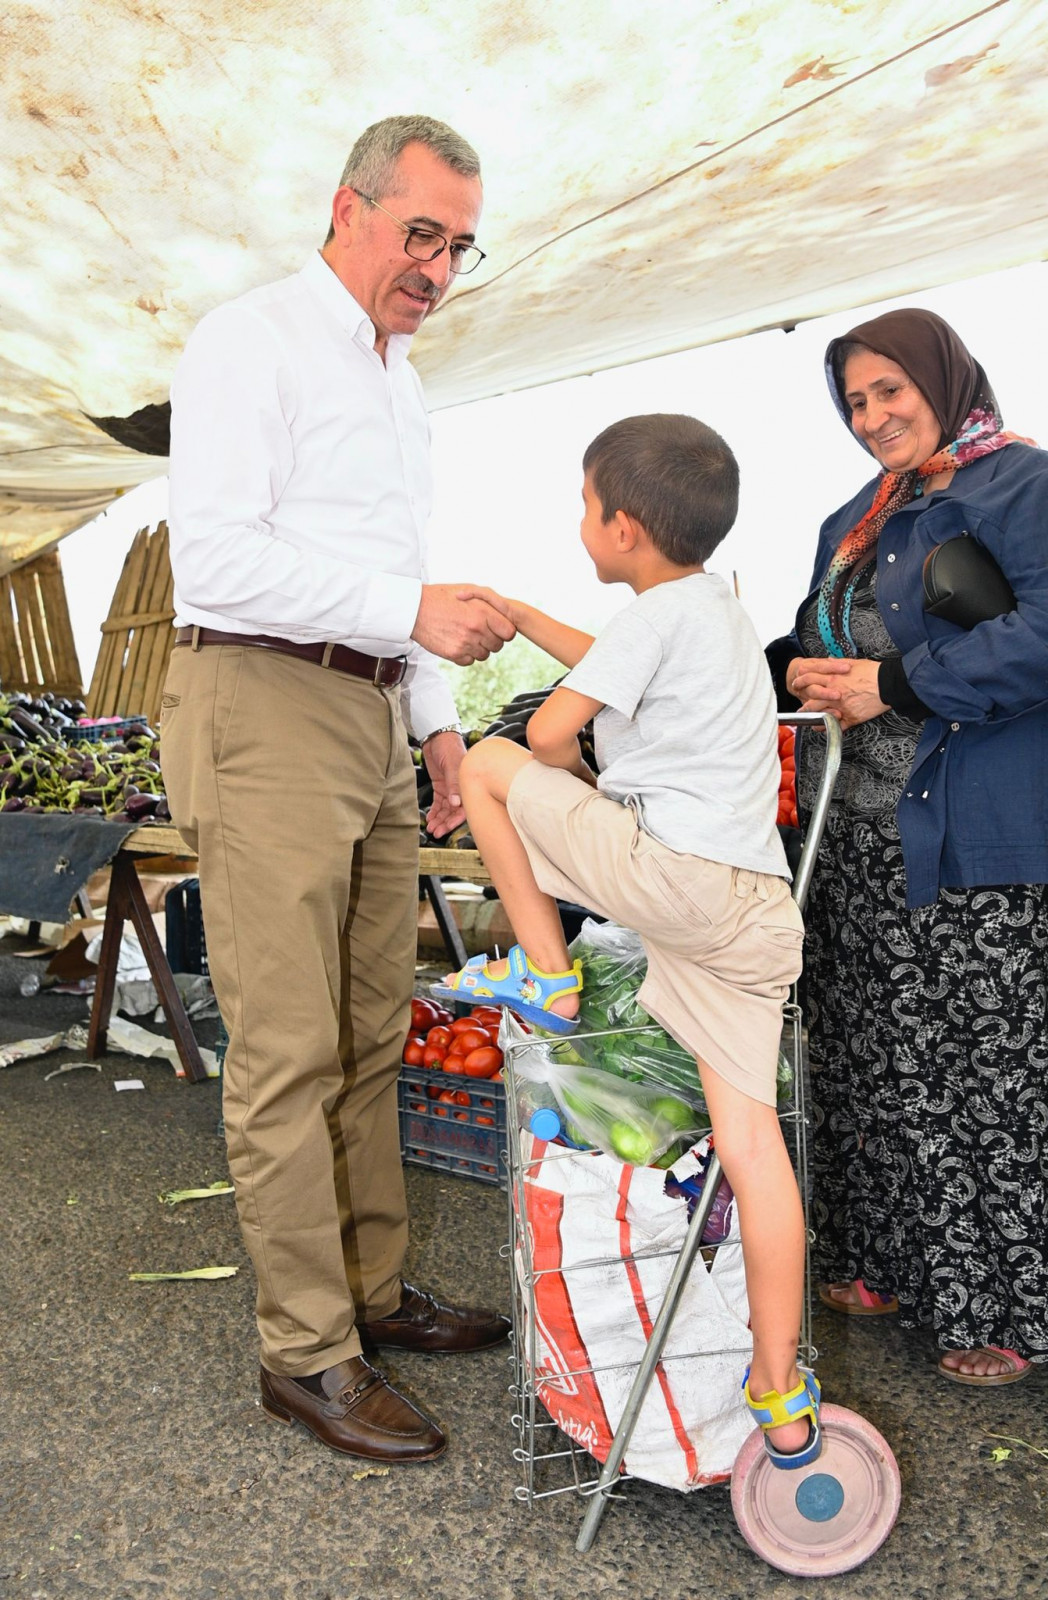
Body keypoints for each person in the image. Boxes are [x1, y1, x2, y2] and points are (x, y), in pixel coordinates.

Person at [160, 115, 514, 1465]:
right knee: (287, 1050)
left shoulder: (399, 382)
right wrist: (406, 614)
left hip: (370, 712)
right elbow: (217, 562)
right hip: (261, 700)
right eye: (419, 233)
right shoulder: (249, 340)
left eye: (458, 246)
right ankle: (306, 1352)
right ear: (347, 208)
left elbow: (390, 567)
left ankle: (370, 1290)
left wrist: (436, 724)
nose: (436, 267)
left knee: (372, 1030)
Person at [438, 414, 821, 1469]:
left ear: (623, 527)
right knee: (752, 1146)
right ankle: (779, 1389)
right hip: (751, 912)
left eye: (583, 504)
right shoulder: (716, 610)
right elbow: (613, 662)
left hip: (673, 877)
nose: (580, 520)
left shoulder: (655, 617)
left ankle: (547, 974)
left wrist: (578, 787)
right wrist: (525, 618)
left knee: (489, 765)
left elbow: (550, 733)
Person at [770, 307, 1048, 1383]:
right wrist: (801, 666)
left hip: (992, 838)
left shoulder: (1032, 484)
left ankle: (1011, 1309)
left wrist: (893, 682)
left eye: (889, 389)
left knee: (996, 1074)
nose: (871, 416)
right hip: (860, 840)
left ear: (942, 378)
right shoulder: (856, 516)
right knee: (881, 1067)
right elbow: (824, 634)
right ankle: (893, 1267)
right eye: (853, 401)